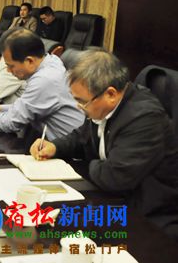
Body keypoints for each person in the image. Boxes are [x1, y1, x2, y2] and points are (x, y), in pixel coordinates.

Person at [30, 51, 178, 239]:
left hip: (145, 213)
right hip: (110, 196)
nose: (78, 106)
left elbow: (114, 177)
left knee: (50, 231)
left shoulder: (144, 118)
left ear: (110, 94)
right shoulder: (103, 106)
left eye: (82, 101)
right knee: (40, 216)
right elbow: (81, 137)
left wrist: (87, 164)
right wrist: (55, 146)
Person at [0, 29, 85, 140]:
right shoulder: (50, 61)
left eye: (11, 66)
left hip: (68, 153)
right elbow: (30, 106)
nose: (8, 71)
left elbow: (11, 122)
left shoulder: (44, 80)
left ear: (29, 61)